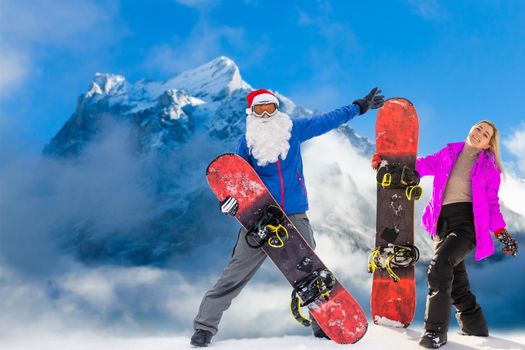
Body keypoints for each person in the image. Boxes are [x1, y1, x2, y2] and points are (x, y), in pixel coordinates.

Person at [190, 87, 385, 347]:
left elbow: (327, 121)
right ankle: (204, 328)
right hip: (259, 219)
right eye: (260, 108)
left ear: (277, 108)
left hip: (294, 214)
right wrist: (228, 202)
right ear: (252, 112)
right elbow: (233, 179)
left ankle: (323, 326)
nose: (266, 113)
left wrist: (358, 106)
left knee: (312, 272)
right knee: (234, 274)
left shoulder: (293, 130)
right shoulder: (246, 143)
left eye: (270, 107)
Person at [391, 120, 518, 348]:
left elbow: (492, 205)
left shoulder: (490, 168)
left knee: (439, 268)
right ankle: (476, 329)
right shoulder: (449, 152)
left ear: (489, 145)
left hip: (466, 226)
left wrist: (501, 233)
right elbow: (422, 165)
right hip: (441, 224)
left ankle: (435, 332)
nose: (479, 133)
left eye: (485, 133)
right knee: (457, 284)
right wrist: (390, 165)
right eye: (478, 128)